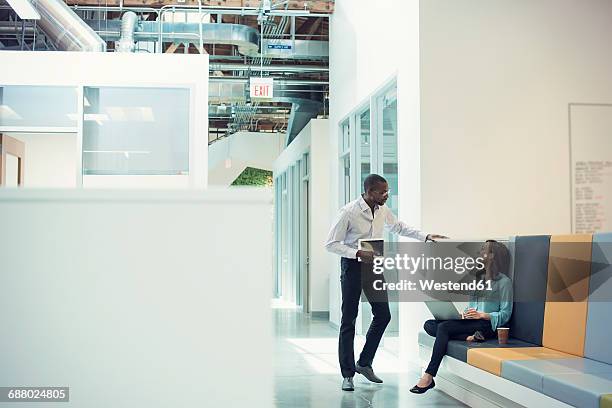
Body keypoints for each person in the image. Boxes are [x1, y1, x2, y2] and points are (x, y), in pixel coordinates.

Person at [325, 174, 447, 392]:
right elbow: (331, 244)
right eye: (382, 192)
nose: (386, 196)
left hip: (374, 266)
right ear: (369, 191)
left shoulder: (382, 210)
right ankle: (347, 374)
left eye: (387, 191)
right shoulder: (348, 212)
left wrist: (425, 236)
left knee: (384, 314)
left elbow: (399, 227)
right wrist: (357, 253)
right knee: (349, 320)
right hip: (353, 267)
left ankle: (364, 363)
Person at [410, 240, 513, 394]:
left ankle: (429, 375)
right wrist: (463, 315)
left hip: (486, 325)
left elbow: (506, 314)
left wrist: (483, 315)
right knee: (429, 324)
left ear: (492, 255)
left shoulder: (504, 283)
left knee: (444, 328)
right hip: (472, 323)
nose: (479, 252)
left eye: (483, 249)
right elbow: (471, 306)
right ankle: (468, 337)